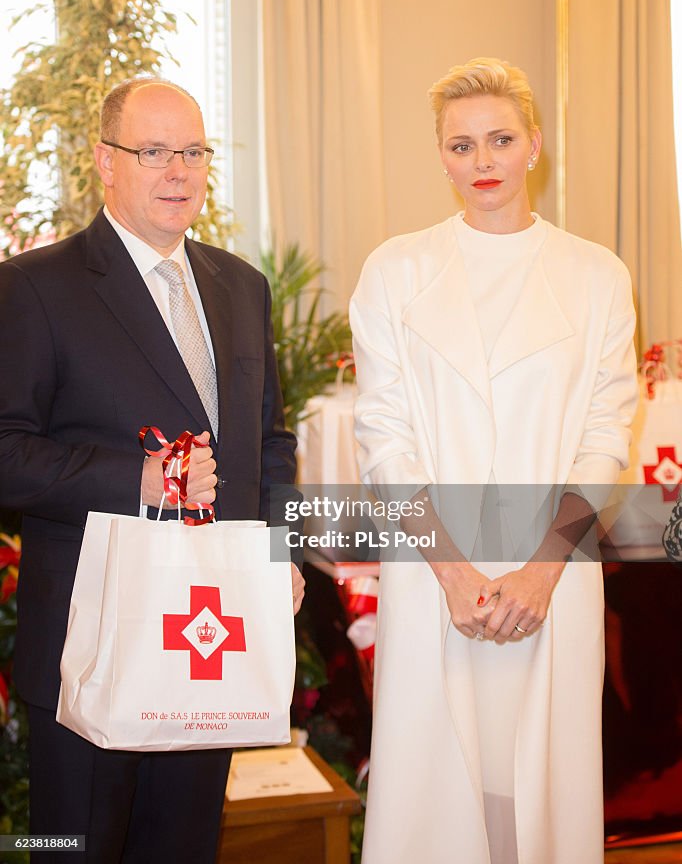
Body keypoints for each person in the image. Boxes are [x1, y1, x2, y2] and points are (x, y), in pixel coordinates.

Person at [0, 78, 304, 864]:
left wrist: (280, 555)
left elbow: (269, 445)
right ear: (106, 162)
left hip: (210, 644)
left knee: (185, 851)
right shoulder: (34, 287)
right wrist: (134, 479)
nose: (179, 171)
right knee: (71, 849)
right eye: (154, 152)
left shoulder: (243, 286)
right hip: (90, 645)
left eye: (194, 152)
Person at [350, 58, 638, 864]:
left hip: (552, 570)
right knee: (435, 795)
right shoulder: (396, 271)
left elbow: (604, 437)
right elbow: (384, 437)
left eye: (500, 139)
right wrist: (452, 573)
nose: (482, 162)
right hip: (436, 572)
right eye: (461, 144)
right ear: (440, 155)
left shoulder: (595, 275)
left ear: (534, 145)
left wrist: (543, 572)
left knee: (544, 794)